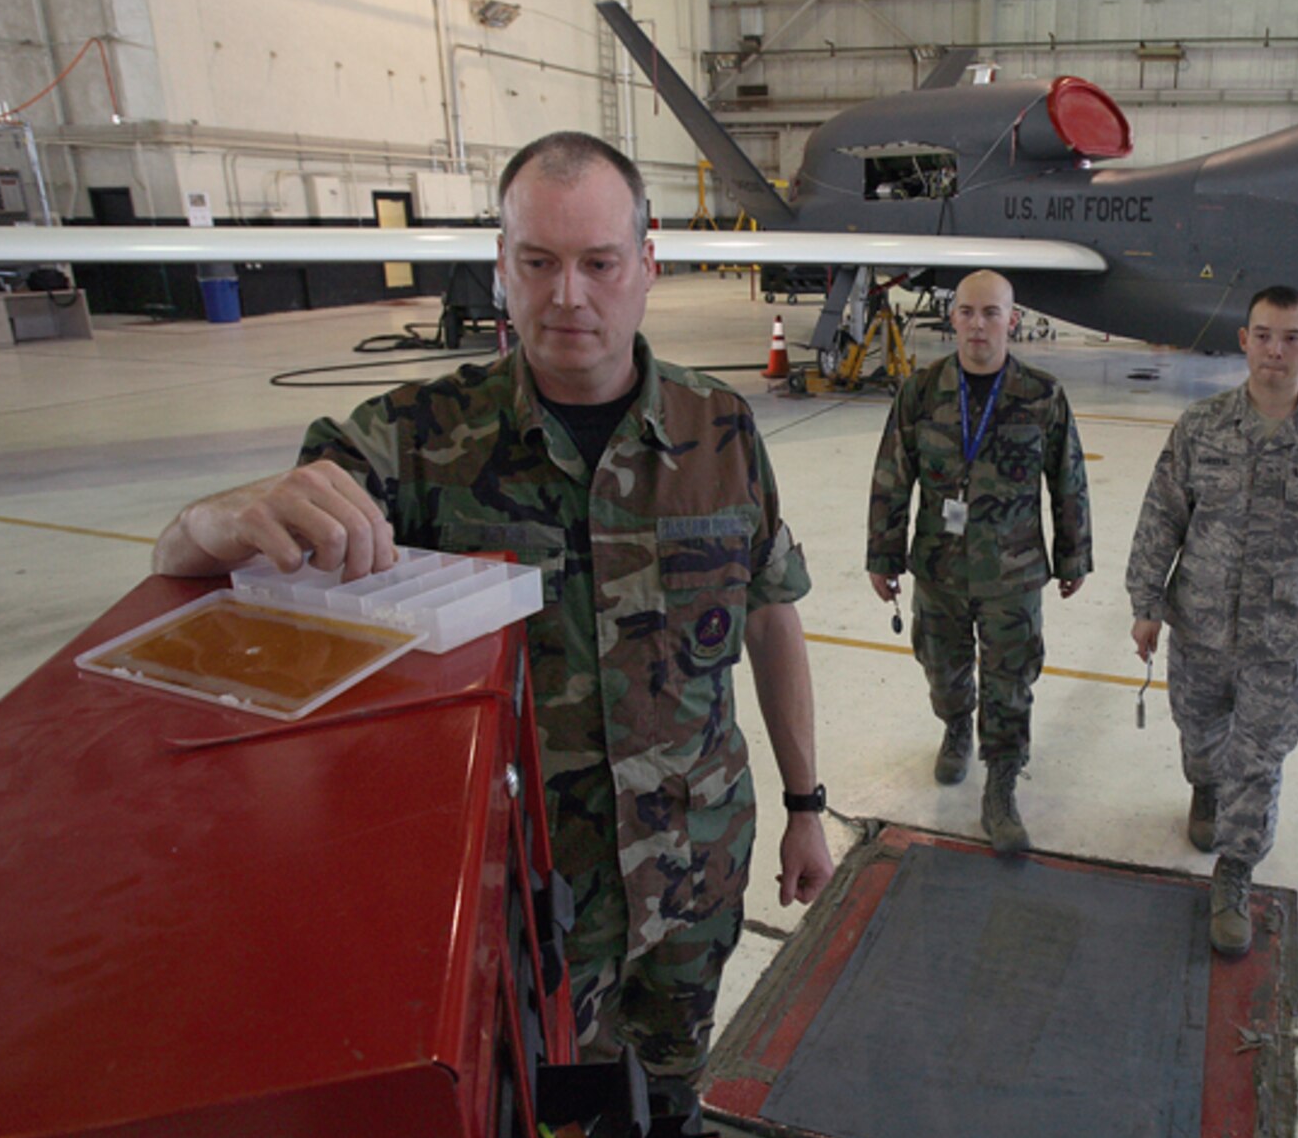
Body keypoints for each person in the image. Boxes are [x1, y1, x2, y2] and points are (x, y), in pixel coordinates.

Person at [153, 131, 834, 1083]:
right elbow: (184, 556)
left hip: (697, 864)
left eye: (598, 263)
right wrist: (224, 514)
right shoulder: (419, 440)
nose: (568, 295)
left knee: (676, 1087)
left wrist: (808, 805)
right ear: (499, 267)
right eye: (537, 262)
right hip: (525, 891)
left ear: (648, 264)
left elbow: (769, 618)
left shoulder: (718, 429)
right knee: (549, 1120)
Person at [1127, 285, 1298, 957]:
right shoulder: (1201, 425)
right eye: (1264, 334)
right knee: (1200, 738)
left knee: (1259, 760)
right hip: (1199, 628)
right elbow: (1162, 517)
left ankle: (1234, 872)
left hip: (1283, 639)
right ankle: (1204, 787)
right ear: (1244, 340)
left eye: (1292, 337)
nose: (1276, 349)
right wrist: (1146, 603)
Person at [865, 269, 1092, 855]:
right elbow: (892, 476)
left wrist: (1073, 556)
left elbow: (1069, 482)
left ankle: (1002, 783)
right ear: (953, 318)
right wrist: (882, 554)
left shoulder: (1042, 396)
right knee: (941, 669)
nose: (978, 324)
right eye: (967, 312)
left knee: (1011, 681)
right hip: (938, 567)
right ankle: (955, 725)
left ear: (1011, 320)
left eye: (991, 313)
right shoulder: (921, 392)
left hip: (1012, 574)